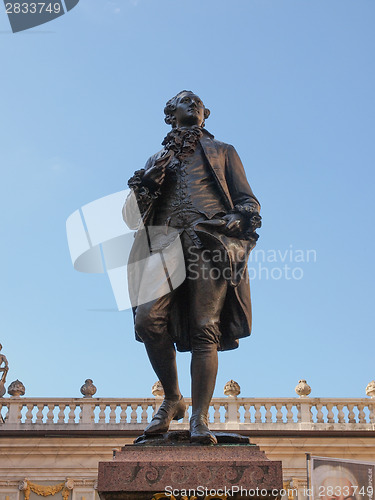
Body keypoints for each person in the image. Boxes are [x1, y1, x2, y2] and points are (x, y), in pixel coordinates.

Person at [123, 90, 261, 444]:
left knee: (205, 327)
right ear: (171, 115)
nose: (194, 104)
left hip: (207, 241)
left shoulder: (223, 152)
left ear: (205, 114)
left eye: (198, 102)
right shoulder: (156, 160)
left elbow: (247, 200)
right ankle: (173, 398)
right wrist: (147, 186)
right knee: (147, 319)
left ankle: (199, 415)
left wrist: (236, 217)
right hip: (163, 243)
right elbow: (130, 218)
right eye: (186, 101)